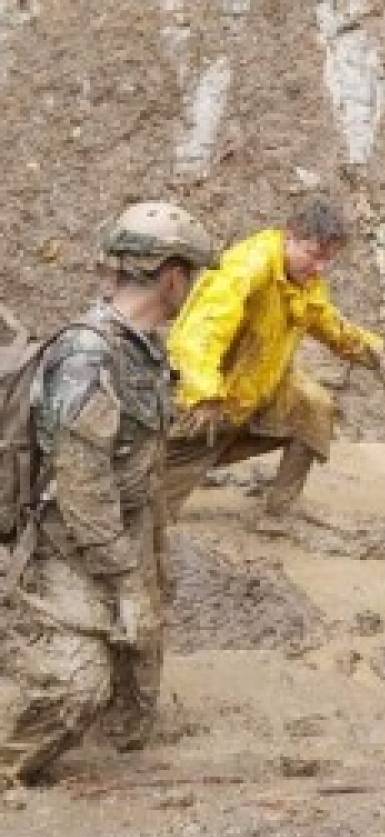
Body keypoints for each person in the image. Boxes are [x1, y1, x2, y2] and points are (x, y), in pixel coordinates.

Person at [0, 202, 214, 788]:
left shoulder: (143, 347)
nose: (190, 288)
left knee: (137, 688)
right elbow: (82, 486)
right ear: (170, 274)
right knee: (75, 688)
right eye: (189, 275)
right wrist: (125, 583)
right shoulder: (90, 358)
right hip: (70, 541)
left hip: (133, 523)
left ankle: (115, 767)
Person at [163, 198, 385, 531]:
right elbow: (201, 334)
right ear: (289, 236)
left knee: (313, 407)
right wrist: (205, 393)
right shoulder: (245, 269)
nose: (321, 267)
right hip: (215, 391)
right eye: (314, 254)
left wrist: (371, 352)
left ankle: (278, 513)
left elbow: (321, 317)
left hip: (264, 379)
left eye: (329, 259)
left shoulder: (304, 278)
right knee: (167, 477)